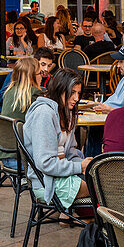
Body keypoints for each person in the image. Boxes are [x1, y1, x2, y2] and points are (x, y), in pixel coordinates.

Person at [21, 67, 92, 208]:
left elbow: (71, 153)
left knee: (102, 178)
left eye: (78, 93)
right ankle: (90, 223)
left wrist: (85, 166)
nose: (77, 98)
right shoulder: (44, 113)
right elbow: (45, 163)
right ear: (60, 89)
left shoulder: (66, 113)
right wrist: (79, 167)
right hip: (46, 182)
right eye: (72, 93)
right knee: (103, 189)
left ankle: (83, 220)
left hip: (62, 175)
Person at [0, 47, 56, 112]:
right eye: (43, 64)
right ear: (35, 62)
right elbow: (0, 99)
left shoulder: (49, 80)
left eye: (49, 66)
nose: (46, 69)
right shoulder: (16, 76)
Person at [0, 56, 44, 122]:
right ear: (31, 77)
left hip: (5, 131)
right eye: (40, 73)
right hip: (22, 131)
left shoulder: (9, 91)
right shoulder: (35, 94)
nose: (41, 76)